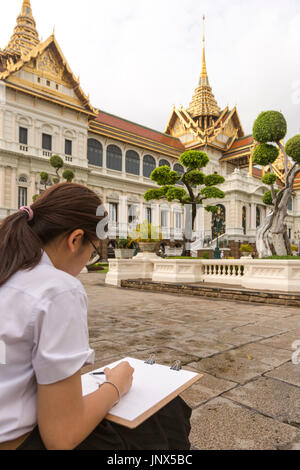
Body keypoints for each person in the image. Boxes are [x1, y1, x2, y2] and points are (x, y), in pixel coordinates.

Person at [0, 183, 191, 451]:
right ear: (75, 239)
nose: (89, 257)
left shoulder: (9, 272)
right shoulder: (56, 289)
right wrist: (116, 385)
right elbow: (62, 437)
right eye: (93, 248)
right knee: (165, 414)